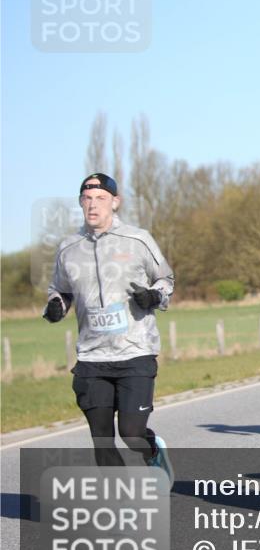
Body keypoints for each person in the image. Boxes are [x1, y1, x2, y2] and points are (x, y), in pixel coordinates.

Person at [44, 173, 175, 484]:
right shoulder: (68, 248)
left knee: (131, 433)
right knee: (101, 439)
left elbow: (166, 279)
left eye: (101, 198)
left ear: (115, 203)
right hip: (91, 356)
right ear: (80, 202)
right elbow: (60, 290)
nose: (93, 204)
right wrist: (56, 305)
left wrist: (153, 295)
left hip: (135, 351)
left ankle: (153, 451)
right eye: (87, 198)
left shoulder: (138, 240)